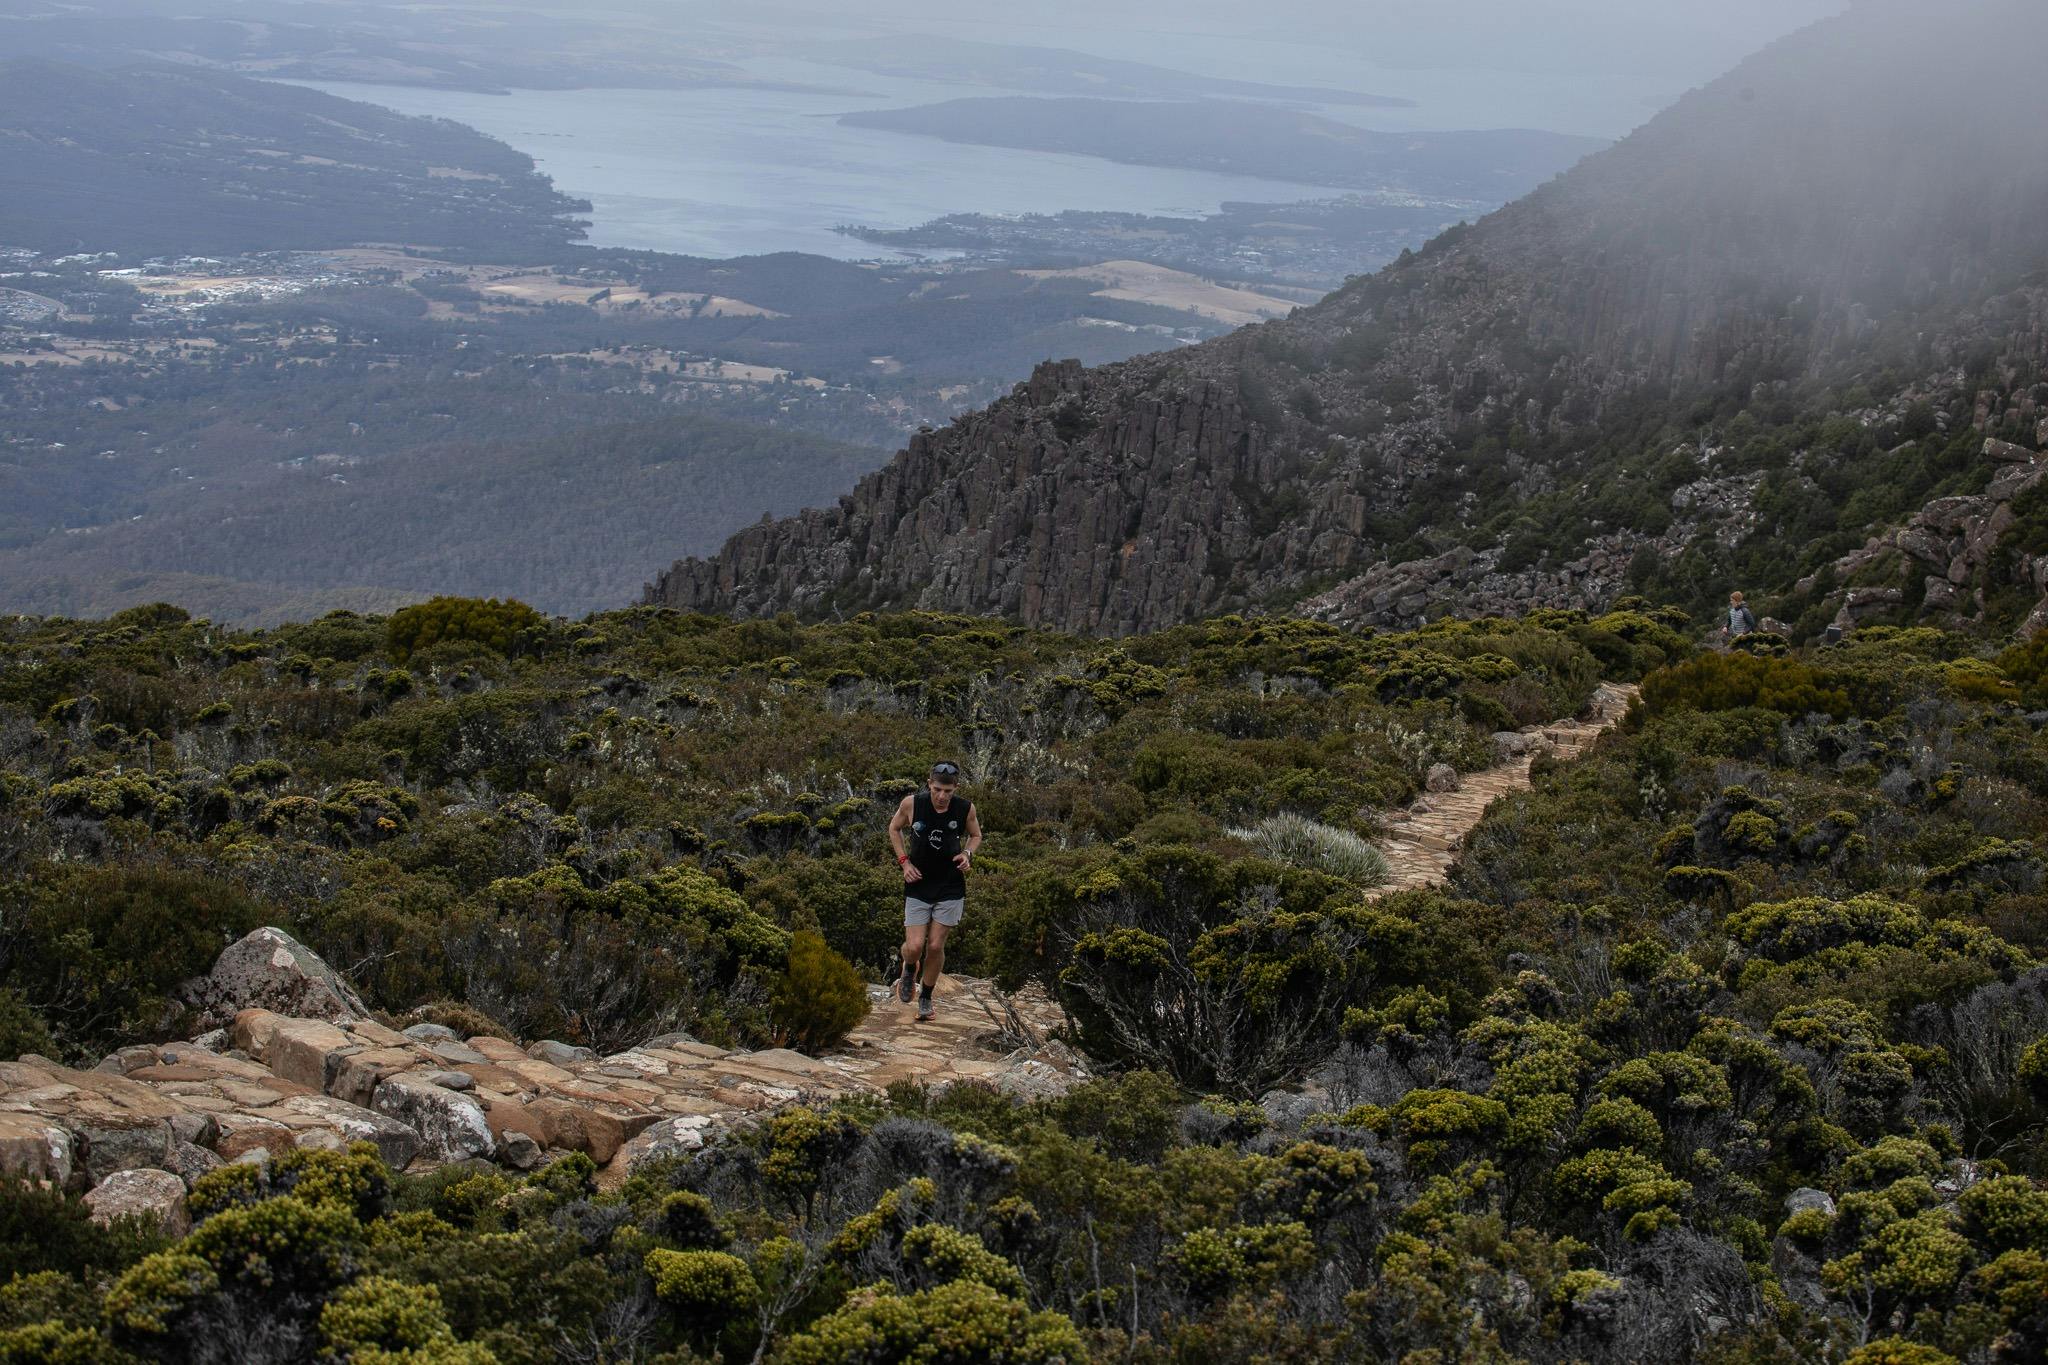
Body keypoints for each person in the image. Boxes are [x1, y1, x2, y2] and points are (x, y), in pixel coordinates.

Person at [889, 761, 981, 1021]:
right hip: (918, 882)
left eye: (948, 791)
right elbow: (894, 829)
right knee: (915, 946)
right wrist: (904, 862)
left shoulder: (965, 808)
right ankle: (909, 968)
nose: (942, 797)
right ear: (929, 784)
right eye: (937, 789)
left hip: (951, 884)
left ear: (956, 789)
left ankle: (926, 997)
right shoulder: (912, 804)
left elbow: (975, 836)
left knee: (936, 944)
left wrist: (967, 854)